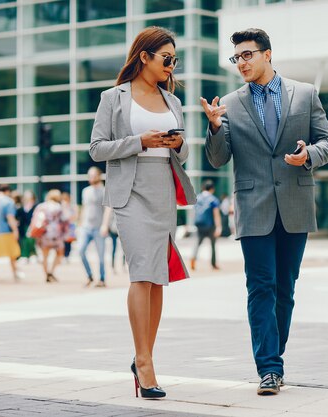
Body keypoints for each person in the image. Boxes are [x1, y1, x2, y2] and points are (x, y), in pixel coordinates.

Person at [200, 28, 328, 395]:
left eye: (247, 55)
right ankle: (270, 369)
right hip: (252, 206)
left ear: (267, 54)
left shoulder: (305, 94)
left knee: (285, 289)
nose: (241, 63)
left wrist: (309, 155)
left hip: (295, 203)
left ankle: (273, 356)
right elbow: (217, 159)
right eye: (236, 58)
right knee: (261, 287)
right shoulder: (228, 103)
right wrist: (213, 127)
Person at [89, 26, 196, 399]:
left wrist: (178, 143)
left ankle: (145, 356)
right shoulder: (113, 98)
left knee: (158, 277)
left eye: (174, 59)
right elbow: (97, 148)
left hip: (163, 190)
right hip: (130, 193)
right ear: (144, 57)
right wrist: (140, 142)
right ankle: (144, 361)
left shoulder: (173, 101)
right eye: (166, 58)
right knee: (141, 273)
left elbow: (183, 155)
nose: (171, 65)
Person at [78, 166, 110, 287]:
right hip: (86, 227)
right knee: (80, 250)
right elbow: (84, 208)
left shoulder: (104, 190)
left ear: (98, 175)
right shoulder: (85, 191)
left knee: (101, 256)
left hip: (99, 227)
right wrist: (80, 224)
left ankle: (102, 279)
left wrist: (105, 225)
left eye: (92, 175)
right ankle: (89, 275)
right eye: (89, 175)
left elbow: (108, 209)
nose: (90, 178)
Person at [0, 184, 23, 283]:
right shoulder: (9, 201)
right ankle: (15, 274)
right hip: (6, 232)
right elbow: (10, 217)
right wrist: (15, 230)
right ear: (7, 191)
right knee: (12, 254)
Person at [33, 189, 69, 283]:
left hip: (44, 233)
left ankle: (46, 274)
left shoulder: (41, 206)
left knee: (45, 255)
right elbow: (65, 220)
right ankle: (51, 272)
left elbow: (35, 220)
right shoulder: (58, 207)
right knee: (60, 253)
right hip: (56, 235)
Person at [191, 180, 222, 270]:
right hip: (210, 225)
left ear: (203, 188)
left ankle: (193, 258)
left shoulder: (197, 198)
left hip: (199, 224)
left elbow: (194, 211)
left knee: (197, 243)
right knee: (213, 245)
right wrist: (219, 227)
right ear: (212, 189)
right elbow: (216, 214)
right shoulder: (213, 199)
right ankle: (213, 263)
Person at [17, 190, 38, 262]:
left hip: (32, 227)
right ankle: (24, 255)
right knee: (24, 242)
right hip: (23, 227)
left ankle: (33, 255)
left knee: (32, 241)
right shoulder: (21, 207)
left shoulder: (36, 207)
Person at [60, 192, 78, 261]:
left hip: (70, 226)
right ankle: (63, 254)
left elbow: (75, 216)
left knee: (69, 241)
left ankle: (67, 255)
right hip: (63, 227)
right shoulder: (61, 207)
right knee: (62, 241)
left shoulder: (72, 207)